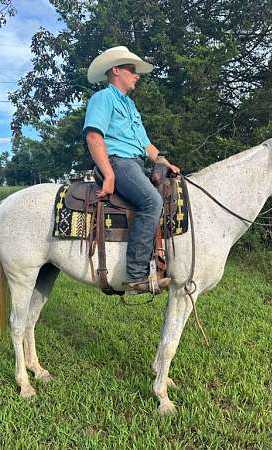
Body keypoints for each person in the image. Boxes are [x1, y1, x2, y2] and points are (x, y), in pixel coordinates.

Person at [82, 46, 180, 295]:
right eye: (132, 70)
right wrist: (110, 174)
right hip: (118, 162)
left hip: (136, 162)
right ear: (116, 70)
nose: (137, 76)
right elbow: (94, 137)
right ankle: (136, 276)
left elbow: (146, 145)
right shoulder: (103, 98)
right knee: (151, 201)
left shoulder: (131, 107)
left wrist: (165, 162)